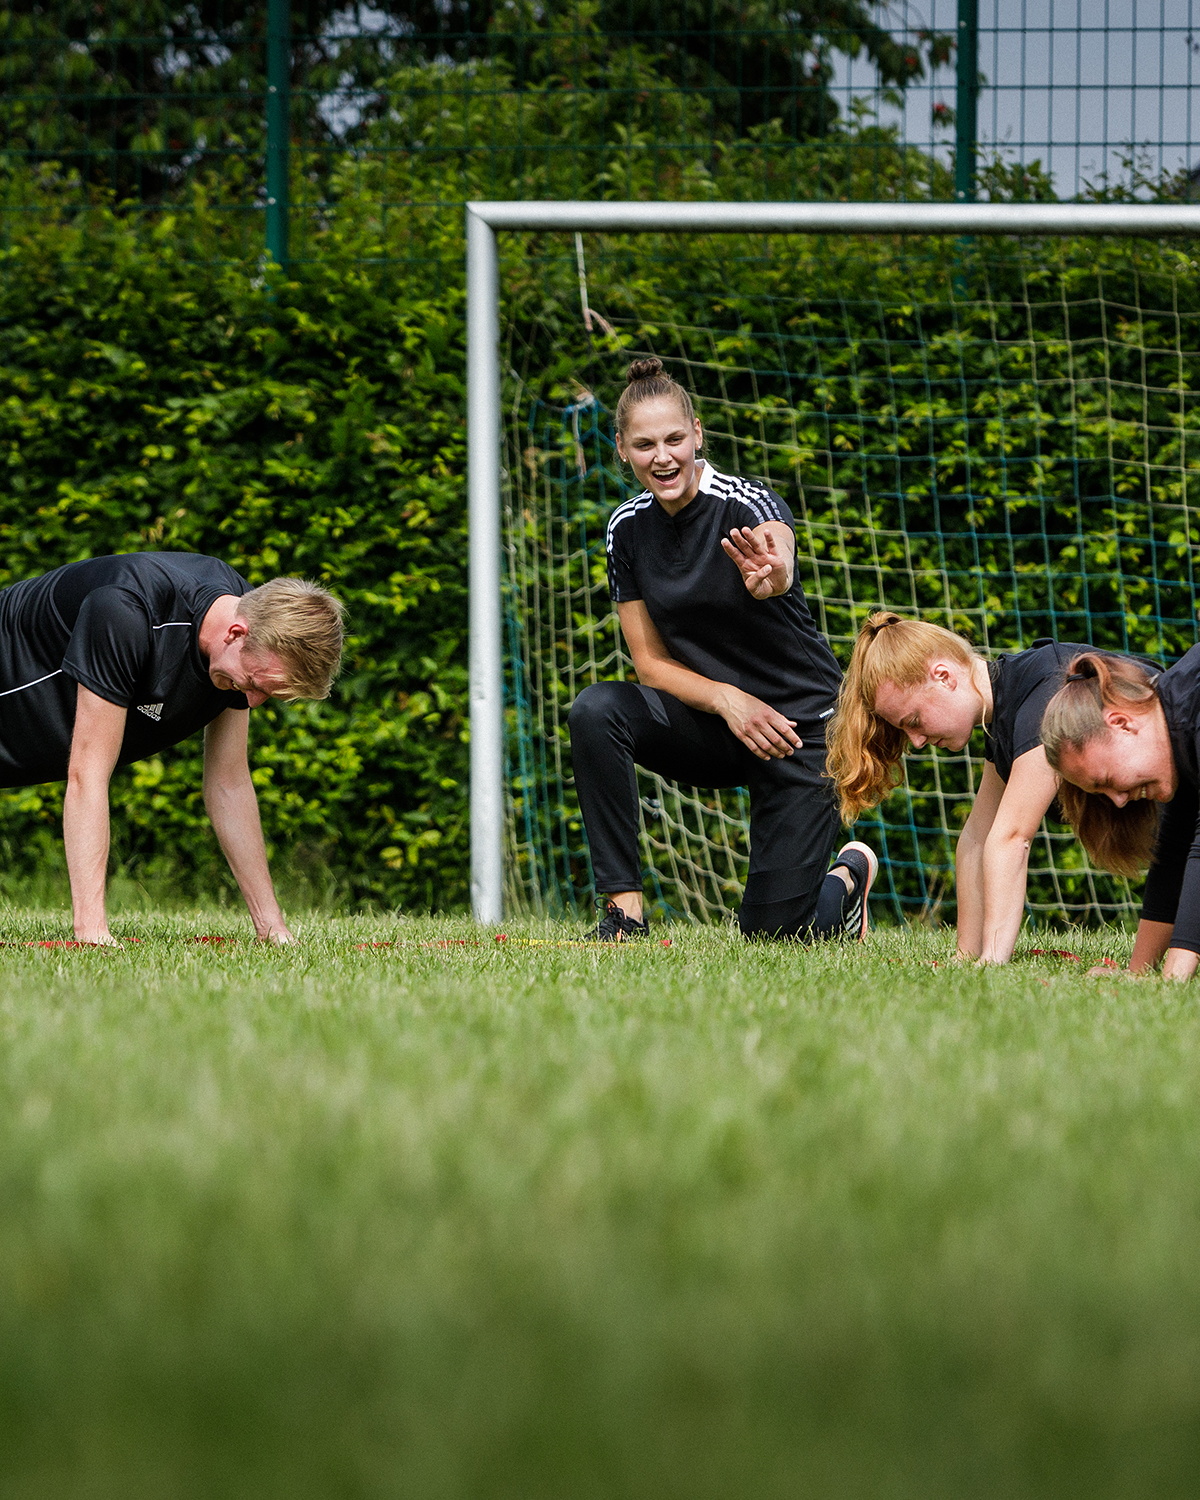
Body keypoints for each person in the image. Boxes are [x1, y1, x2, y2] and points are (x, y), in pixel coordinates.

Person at [567, 357, 877, 942]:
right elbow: (649, 664)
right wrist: (729, 701)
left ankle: (847, 877)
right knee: (595, 710)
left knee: (773, 936)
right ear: (622, 449)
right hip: (717, 722)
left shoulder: (746, 503)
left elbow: (778, 548)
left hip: (798, 731)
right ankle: (624, 918)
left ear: (698, 435)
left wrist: (777, 573)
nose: (663, 456)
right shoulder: (624, 529)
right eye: (645, 444)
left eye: (675, 439)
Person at [0, 551, 344, 945]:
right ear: (235, 633)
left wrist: (272, 928)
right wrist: (91, 932)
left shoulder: (249, 623)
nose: (251, 703)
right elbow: (88, 772)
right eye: (253, 684)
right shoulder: (126, 609)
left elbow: (228, 784)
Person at [827, 613, 1117, 964]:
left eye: (914, 721)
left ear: (944, 676)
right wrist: (966, 956)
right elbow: (977, 837)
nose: (916, 742)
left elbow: (1012, 837)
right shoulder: (1007, 703)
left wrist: (992, 960)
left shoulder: (1046, 690)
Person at [1039, 647, 1200, 980]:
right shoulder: (1176, 727)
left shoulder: (1191, 712)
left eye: (1108, 781)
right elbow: (1173, 852)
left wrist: (1174, 977)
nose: (1119, 801)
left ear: (1123, 723)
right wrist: (1139, 972)